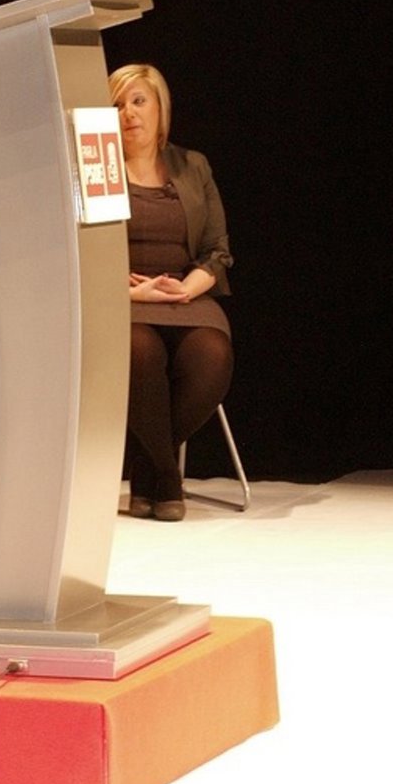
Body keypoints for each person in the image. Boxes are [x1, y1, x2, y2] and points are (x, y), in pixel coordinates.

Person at [109, 63, 234, 522]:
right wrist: (133, 292)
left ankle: (147, 466)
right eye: (117, 105)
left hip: (185, 295)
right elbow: (80, 250)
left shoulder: (192, 165)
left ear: (161, 109)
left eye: (139, 101)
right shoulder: (96, 168)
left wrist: (184, 288)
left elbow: (217, 251)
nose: (128, 113)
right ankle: (166, 475)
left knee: (212, 357)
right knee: (139, 353)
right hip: (123, 299)